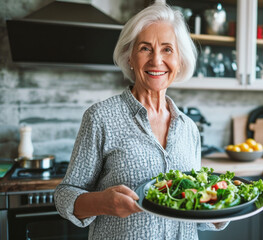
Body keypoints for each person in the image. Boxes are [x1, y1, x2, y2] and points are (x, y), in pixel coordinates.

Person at [54, 2, 228, 239]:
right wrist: (102, 203)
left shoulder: (189, 128)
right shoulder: (101, 117)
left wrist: (220, 210)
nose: (156, 60)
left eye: (168, 49)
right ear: (129, 58)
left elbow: (192, 210)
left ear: (180, 61)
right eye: (146, 48)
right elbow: (64, 194)